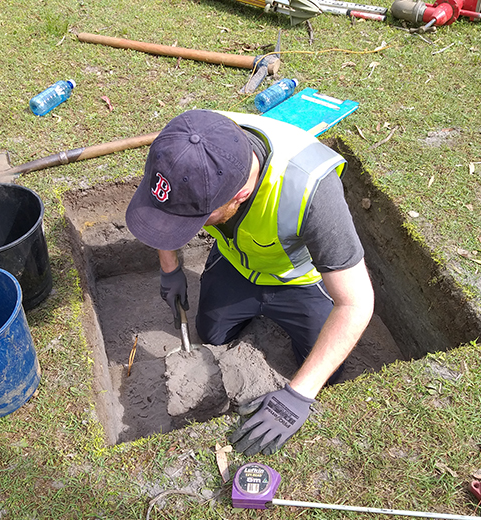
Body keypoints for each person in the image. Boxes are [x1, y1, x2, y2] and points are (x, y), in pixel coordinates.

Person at [126, 109, 374, 456]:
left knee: (324, 373)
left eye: (199, 218)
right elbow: (166, 212)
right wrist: (169, 268)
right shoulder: (185, 146)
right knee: (211, 335)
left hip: (297, 277)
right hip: (236, 262)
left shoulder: (311, 190)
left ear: (240, 194)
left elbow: (356, 302)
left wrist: (298, 395)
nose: (189, 228)